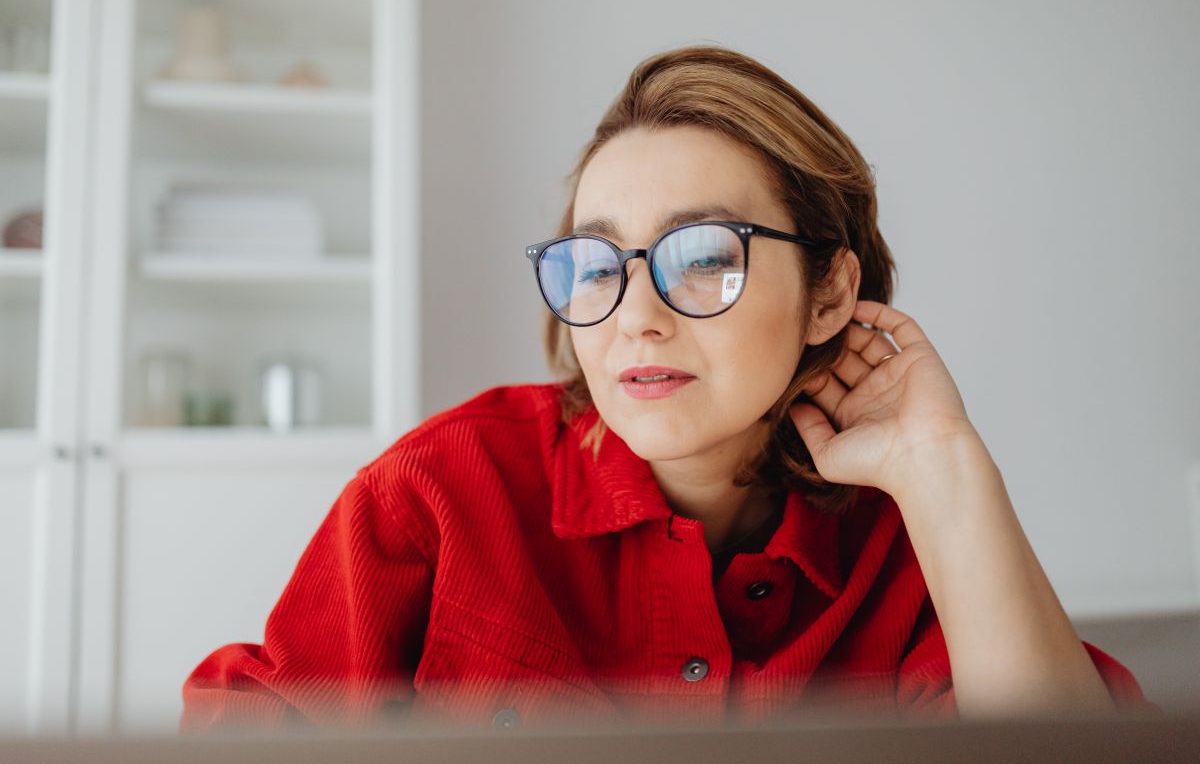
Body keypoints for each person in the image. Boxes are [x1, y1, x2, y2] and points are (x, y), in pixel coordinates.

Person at [180, 45, 1157, 732]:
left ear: (831, 291)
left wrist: (946, 467)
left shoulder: (910, 541)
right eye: (596, 262)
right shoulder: (443, 487)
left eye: (699, 257)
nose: (635, 313)